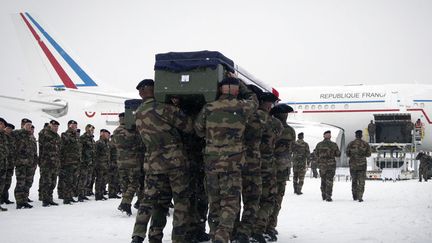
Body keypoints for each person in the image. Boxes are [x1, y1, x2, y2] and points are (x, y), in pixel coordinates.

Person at [195, 77, 257, 243]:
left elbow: (198, 130)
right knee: (230, 203)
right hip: (232, 164)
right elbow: (254, 100)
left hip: (211, 164)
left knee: (214, 202)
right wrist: (242, 84)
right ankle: (221, 237)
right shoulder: (242, 106)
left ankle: (216, 234)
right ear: (236, 90)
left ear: (221, 89)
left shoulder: (208, 107)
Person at [132, 79, 193, 243]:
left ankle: (141, 235)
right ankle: (178, 238)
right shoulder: (165, 108)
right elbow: (189, 127)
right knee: (181, 202)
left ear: (140, 93)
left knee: (152, 201)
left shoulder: (138, 112)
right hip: (175, 163)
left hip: (153, 164)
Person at [233, 85, 266, 243]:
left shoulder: (233, 112)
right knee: (252, 200)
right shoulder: (261, 116)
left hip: (234, 162)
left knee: (233, 199)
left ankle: (232, 230)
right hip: (253, 164)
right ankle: (244, 232)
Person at [251, 92, 281, 243]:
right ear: (269, 105)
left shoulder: (249, 117)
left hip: (249, 163)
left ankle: (244, 229)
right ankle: (258, 230)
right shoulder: (274, 123)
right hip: (267, 165)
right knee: (267, 198)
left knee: (251, 199)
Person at [266, 103, 295, 241]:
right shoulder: (290, 130)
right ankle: (270, 226)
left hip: (269, 168)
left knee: (267, 198)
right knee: (276, 199)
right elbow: (291, 148)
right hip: (281, 169)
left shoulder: (269, 126)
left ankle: (265, 226)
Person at [112, 113, 144, 216]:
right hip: (133, 161)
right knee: (134, 183)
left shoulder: (116, 131)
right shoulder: (132, 131)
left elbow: (113, 145)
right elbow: (140, 144)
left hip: (121, 162)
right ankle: (125, 203)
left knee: (125, 184)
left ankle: (127, 205)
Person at [38, 120, 61, 207]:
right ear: (50, 126)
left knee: (53, 182)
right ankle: (45, 200)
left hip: (55, 163)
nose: (56, 128)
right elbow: (42, 137)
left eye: (57, 127)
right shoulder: (44, 133)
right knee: (46, 182)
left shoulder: (57, 136)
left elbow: (59, 149)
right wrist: (47, 127)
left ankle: (50, 198)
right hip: (46, 162)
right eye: (54, 126)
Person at [314, 130, 341, 202]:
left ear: (324, 136)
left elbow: (315, 154)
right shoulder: (334, 144)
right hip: (331, 165)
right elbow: (338, 154)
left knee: (323, 180)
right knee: (329, 181)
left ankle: (323, 195)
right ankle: (328, 196)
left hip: (322, 165)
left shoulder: (319, 144)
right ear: (329, 136)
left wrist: (319, 161)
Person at [14, 118, 34, 209]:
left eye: (30, 125)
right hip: (21, 163)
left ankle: (25, 200)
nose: (29, 127)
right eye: (27, 125)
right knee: (20, 183)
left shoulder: (31, 136)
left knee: (28, 183)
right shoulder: (18, 133)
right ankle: (19, 202)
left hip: (30, 164)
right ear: (22, 125)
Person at [346, 130, 371, 202]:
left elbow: (347, 154)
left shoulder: (351, 144)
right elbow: (369, 154)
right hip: (362, 166)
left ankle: (354, 196)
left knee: (354, 181)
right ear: (361, 135)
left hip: (353, 165)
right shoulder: (365, 144)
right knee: (361, 182)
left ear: (355, 135)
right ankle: (360, 196)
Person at [60, 120, 81, 204]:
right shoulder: (65, 135)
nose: (75, 127)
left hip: (75, 162)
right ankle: (66, 198)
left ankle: (70, 196)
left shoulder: (76, 136)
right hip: (68, 162)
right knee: (68, 180)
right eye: (73, 125)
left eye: (76, 125)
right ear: (69, 126)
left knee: (73, 180)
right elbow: (63, 147)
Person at [94, 129, 111, 201]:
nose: (108, 136)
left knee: (104, 180)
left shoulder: (106, 143)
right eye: (107, 134)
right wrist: (96, 164)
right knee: (99, 180)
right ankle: (98, 194)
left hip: (105, 165)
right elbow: (95, 154)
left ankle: (101, 193)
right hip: (100, 165)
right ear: (103, 134)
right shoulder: (99, 143)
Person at [1, 123, 16, 205]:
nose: (9, 130)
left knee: (7, 183)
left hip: (10, 164)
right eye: (8, 128)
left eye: (11, 129)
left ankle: (5, 198)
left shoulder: (11, 138)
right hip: (3, 163)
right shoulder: (2, 137)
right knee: (2, 182)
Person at [0, 117, 9, 211]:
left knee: (1, 185)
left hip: (3, 164)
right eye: (0, 124)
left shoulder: (4, 136)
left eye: (3, 124)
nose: (2, 126)